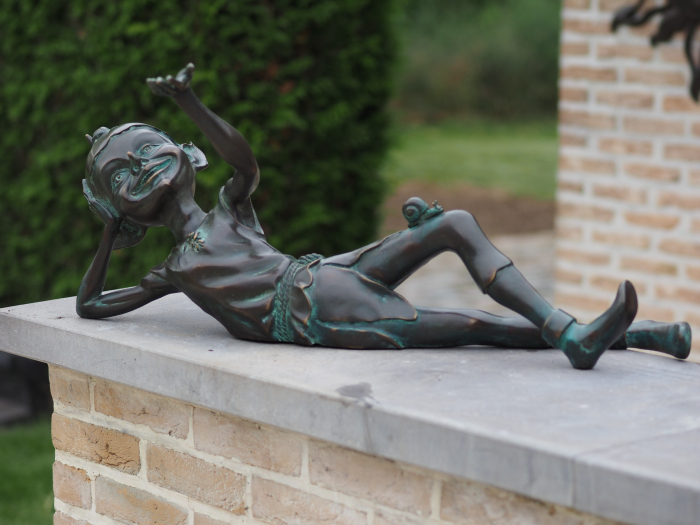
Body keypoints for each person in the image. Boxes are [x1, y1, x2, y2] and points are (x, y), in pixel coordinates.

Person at [77, 64, 691, 370]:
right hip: (313, 313)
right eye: (123, 178)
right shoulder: (174, 269)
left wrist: (190, 101)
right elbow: (92, 305)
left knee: (454, 224)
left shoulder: (228, 211)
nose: (144, 170)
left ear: (186, 153)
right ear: (124, 210)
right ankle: (624, 337)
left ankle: (583, 335)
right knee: (476, 326)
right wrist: (110, 229)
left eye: (148, 151)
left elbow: (245, 164)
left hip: (319, 276)